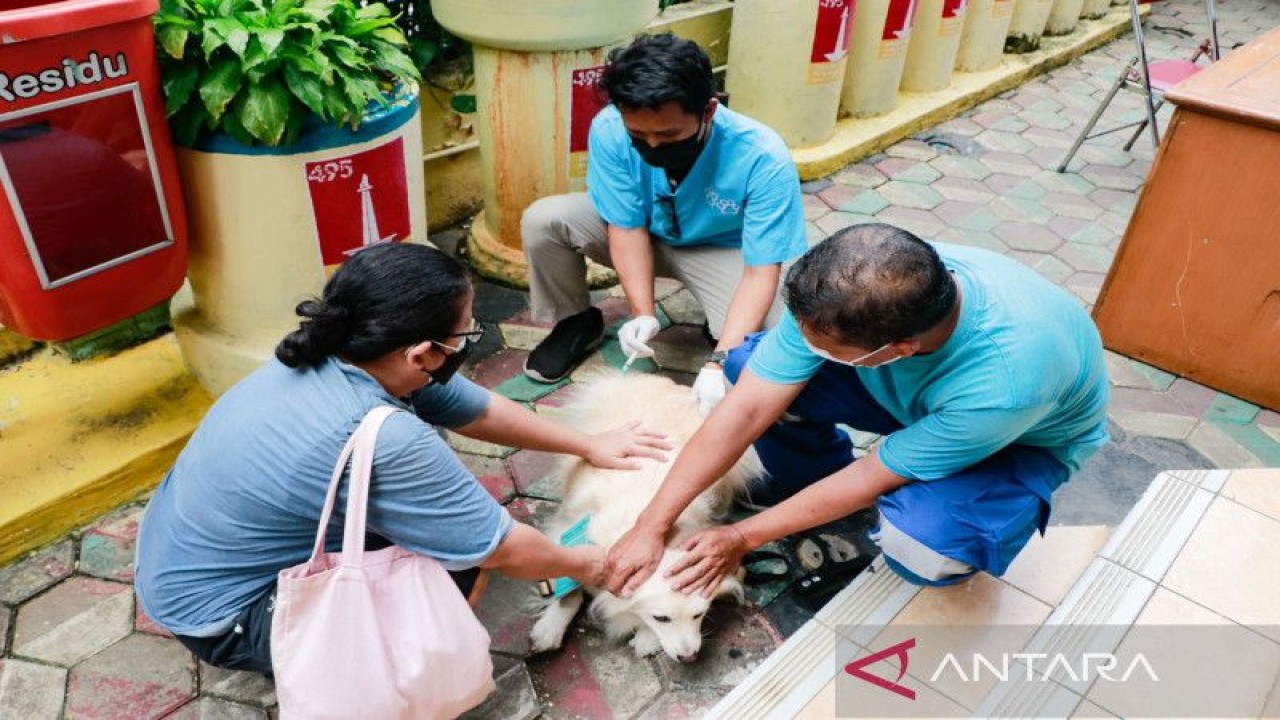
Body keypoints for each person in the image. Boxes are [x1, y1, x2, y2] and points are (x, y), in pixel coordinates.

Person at [135, 243, 670, 675]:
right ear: (421, 353)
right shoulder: (386, 439)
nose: (467, 340)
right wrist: (597, 564)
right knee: (456, 567)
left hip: (173, 565)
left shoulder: (332, 351)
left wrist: (585, 443)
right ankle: (393, 677)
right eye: (465, 331)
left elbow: (469, 405)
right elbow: (503, 548)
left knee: (449, 525)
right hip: (228, 618)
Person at [604, 223, 1110, 597]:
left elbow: (872, 473)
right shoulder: (857, 290)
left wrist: (740, 537)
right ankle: (811, 482)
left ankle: (971, 514)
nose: (805, 345)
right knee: (748, 365)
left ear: (900, 349)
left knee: (924, 545)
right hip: (930, 401)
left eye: (826, 347)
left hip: (1019, 438)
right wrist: (652, 523)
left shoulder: (1010, 379)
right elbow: (744, 411)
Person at [521, 33, 807, 415]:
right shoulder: (609, 127)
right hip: (649, 232)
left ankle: (721, 328)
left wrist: (720, 360)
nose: (652, 145)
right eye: (638, 135)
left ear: (707, 111)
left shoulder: (762, 156)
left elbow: (760, 273)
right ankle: (575, 321)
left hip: (724, 250)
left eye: (668, 134)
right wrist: (643, 313)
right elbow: (624, 226)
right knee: (545, 219)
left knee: (765, 345)